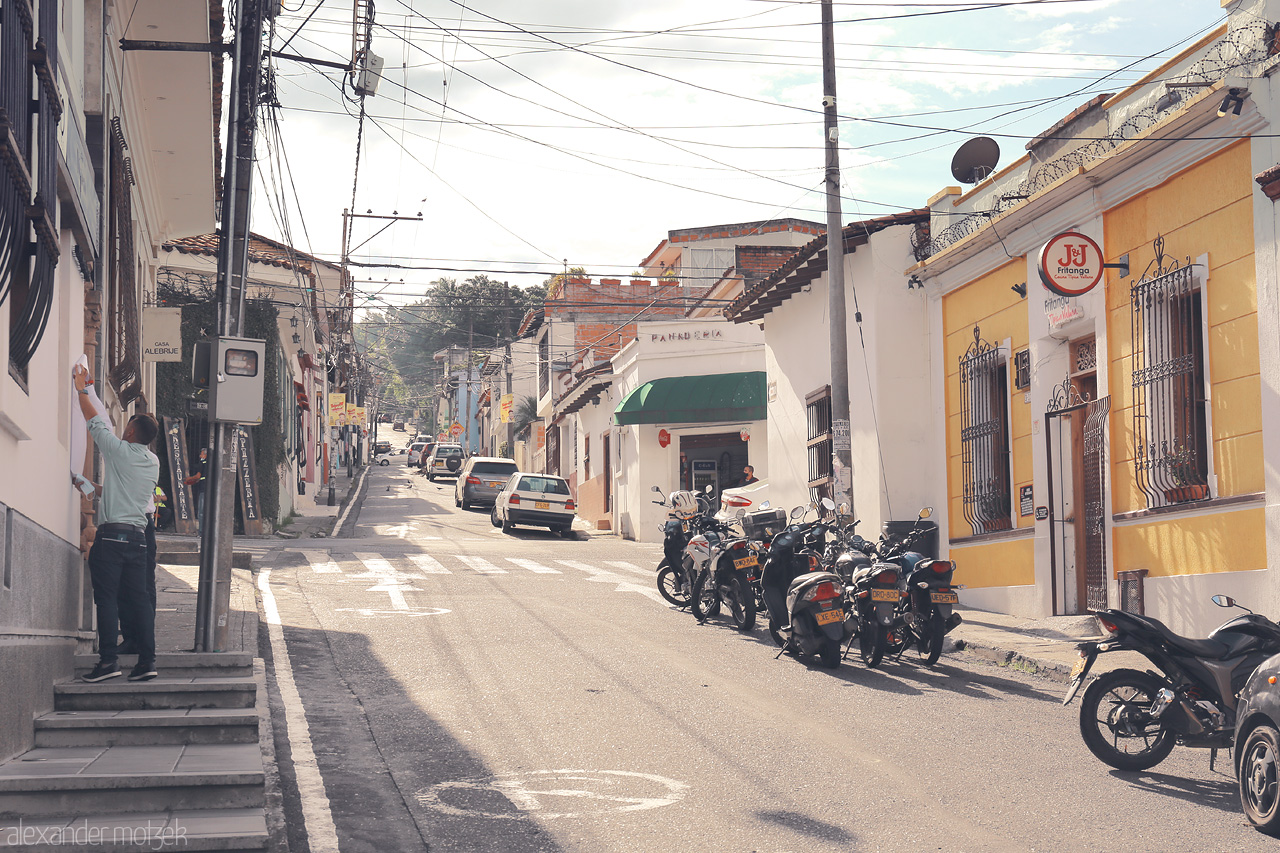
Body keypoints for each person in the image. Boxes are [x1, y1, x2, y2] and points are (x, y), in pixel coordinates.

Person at [74, 364, 161, 683]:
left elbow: (94, 421)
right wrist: (91, 487)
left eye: (128, 426)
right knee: (139, 600)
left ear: (130, 432)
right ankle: (147, 662)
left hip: (111, 540)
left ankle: (109, 661)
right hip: (138, 540)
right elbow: (121, 491)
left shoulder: (119, 450)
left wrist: (81, 388)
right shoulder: (152, 462)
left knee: (107, 600)